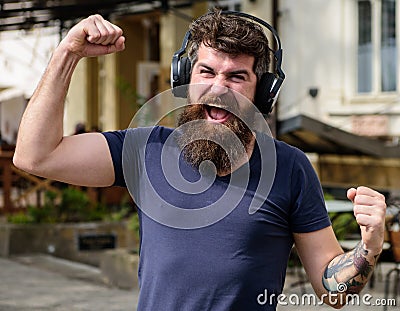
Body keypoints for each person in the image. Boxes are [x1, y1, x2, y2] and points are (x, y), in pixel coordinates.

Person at [13, 10, 387, 311]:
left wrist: (368, 246)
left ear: (264, 93)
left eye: (236, 77)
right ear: (184, 78)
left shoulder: (289, 169)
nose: (218, 88)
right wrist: (67, 54)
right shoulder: (146, 151)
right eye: (206, 71)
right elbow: (35, 156)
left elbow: (332, 290)